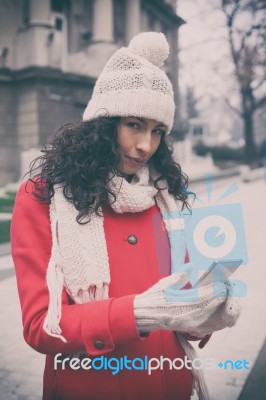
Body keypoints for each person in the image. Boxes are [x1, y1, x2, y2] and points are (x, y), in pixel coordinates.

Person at [11, 32, 241, 400]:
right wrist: (138, 313)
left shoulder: (165, 198)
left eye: (157, 132)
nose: (146, 146)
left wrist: (206, 315)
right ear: (104, 123)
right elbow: (42, 327)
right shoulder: (43, 197)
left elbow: (181, 302)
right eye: (134, 124)